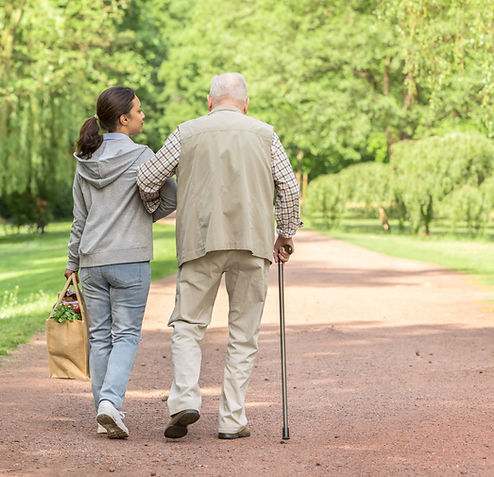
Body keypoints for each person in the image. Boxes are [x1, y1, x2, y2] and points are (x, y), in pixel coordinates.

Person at [137, 73, 302, 439]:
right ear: (246, 104)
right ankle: (231, 419)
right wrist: (285, 234)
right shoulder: (264, 133)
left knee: (188, 325)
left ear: (209, 102)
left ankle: (183, 401)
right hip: (252, 241)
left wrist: (158, 206)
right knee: (244, 334)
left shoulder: (187, 131)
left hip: (200, 240)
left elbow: (147, 179)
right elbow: (289, 189)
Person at [65, 86, 176, 439]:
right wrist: (146, 214)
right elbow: (171, 195)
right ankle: (110, 403)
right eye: (139, 111)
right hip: (130, 259)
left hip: (92, 262)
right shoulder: (144, 156)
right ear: (124, 119)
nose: (143, 116)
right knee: (126, 335)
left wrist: (72, 262)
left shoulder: (85, 161)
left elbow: (79, 219)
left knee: (100, 339)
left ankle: (104, 409)